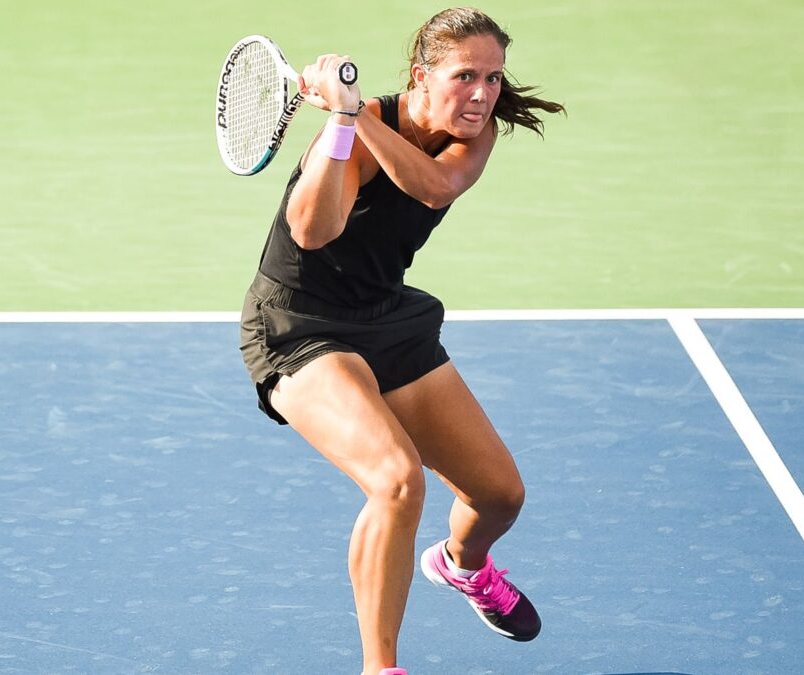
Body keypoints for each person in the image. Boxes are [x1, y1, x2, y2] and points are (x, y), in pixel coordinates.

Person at [237, 8, 564, 675]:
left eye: (494, 77)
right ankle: (379, 666)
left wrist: (360, 116)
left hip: (383, 317)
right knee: (395, 480)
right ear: (420, 74)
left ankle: (461, 565)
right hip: (300, 322)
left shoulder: (470, 135)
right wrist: (345, 122)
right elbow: (313, 233)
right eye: (465, 75)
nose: (482, 94)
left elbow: (435, 184)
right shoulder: (348, 137)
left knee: (500, 495)